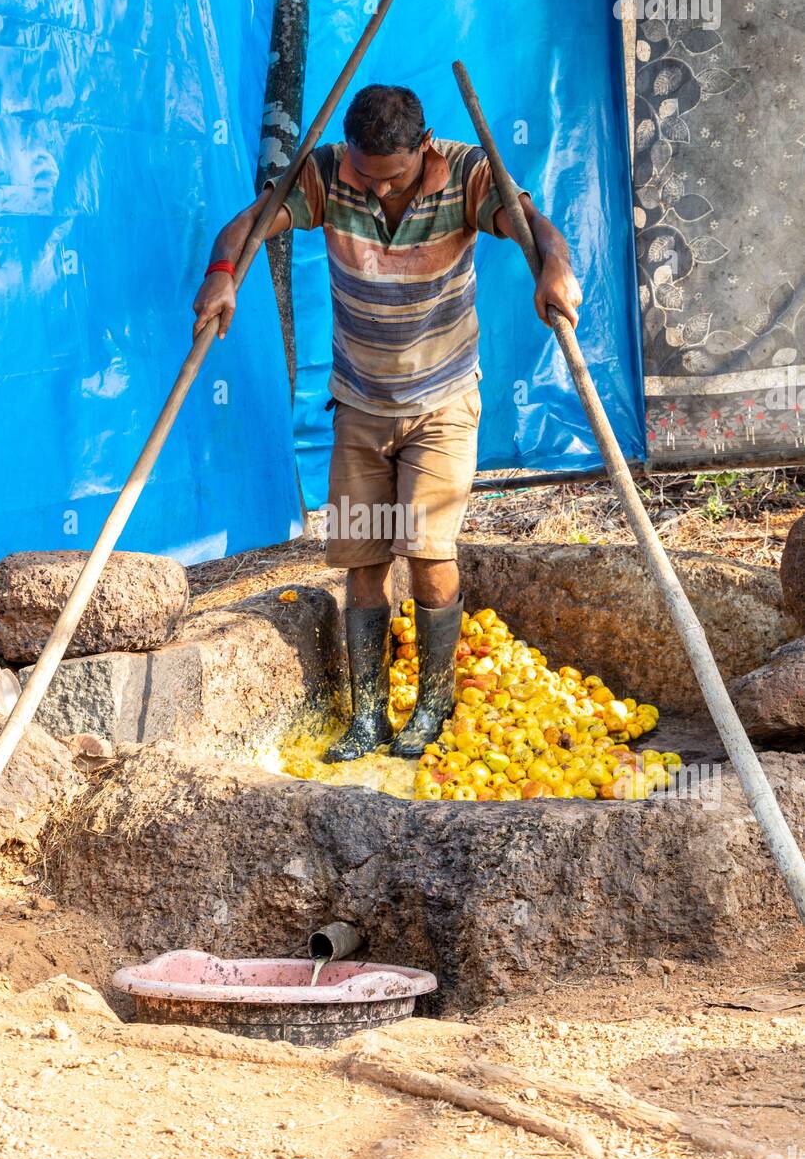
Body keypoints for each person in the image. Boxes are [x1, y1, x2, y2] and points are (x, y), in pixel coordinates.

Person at [192, 85, 582, 761]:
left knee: (429, 556)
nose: (374, 188)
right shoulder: (327, 170)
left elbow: (537, 228)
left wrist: (556, 268)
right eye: (364, 175)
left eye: (391, 176)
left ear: (423, 147)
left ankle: (433, 704)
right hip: (360, 406)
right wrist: (223, 274)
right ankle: (368, 715)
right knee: (363, 560)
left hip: (443, 403)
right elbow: (246, 226)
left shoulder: (468, 172)